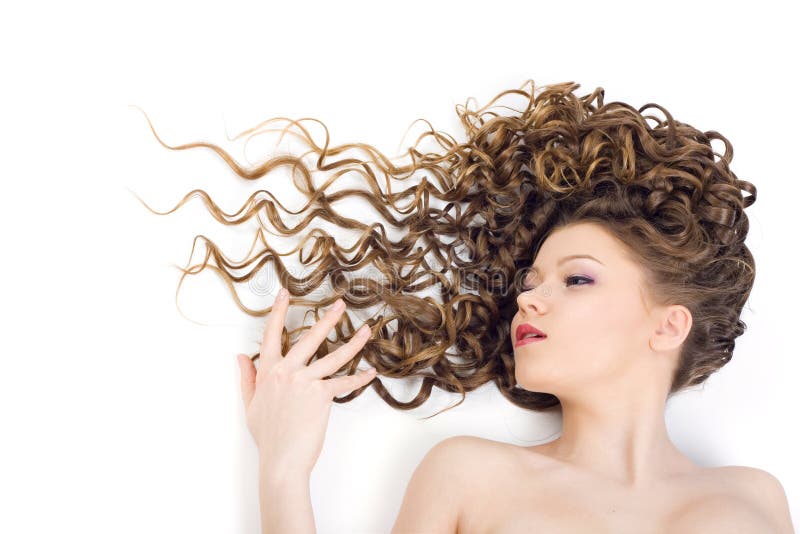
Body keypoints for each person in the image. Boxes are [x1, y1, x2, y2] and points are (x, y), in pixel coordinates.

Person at [137, 79, 794, 532]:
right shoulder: (471, 477)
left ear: (668, 324)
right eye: (530, 282)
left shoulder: (755, 498)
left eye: (577, 280)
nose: (529, 299)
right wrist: (283, 466)